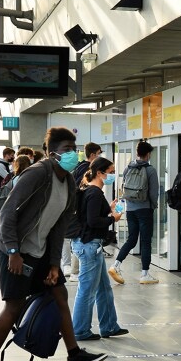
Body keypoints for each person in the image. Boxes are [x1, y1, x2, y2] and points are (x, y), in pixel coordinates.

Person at [0, 127, 107, 361]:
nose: (72, 153)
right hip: (16, 249)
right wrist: (12, 251)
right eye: (66, 149)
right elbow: (9, 213)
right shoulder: (37, 174)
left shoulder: (67, 180)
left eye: (73, 148)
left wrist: (55, 263)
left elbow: (59, 227)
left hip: (40, 250)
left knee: (59, 294)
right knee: (14, 305)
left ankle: (74, 354)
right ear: (50, 152)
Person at [71, 157, 128, 343]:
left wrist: (109, 209)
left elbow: (91, 215)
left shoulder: (88, 190)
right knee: (87, 290)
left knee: (103, 288)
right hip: (89, 246)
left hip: (88, 244)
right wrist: (113, 218)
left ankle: (109, 325)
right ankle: (79, 330)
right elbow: (93, 221)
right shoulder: (94, 193)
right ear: (99, 173)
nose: (112, 175)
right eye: (110, 172)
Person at [112, 140, 162, 286]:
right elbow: (154, 193)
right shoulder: (150, 170)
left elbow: (123, 189)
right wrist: (153, 205)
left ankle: (115, 265)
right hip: (144, 209)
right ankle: (145, 274)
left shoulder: (128, 168)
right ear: (148, 154)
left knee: (132, 239)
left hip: (130, 209)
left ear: (137, 153)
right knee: (146, 241)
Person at [62, 142, 102, 279]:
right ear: (92, 155)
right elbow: (82, 191)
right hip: (82, 211)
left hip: (77, 210)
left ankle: (74, 270)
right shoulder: (86, 170)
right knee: (80, 239)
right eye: (98, 154)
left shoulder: (78, 167)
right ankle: (75, 271)